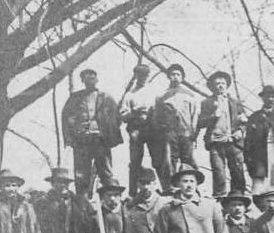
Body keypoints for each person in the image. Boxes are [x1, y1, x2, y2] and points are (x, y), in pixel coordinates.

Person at [61, 68, 122, 197]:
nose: (90, 81)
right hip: (82, 141)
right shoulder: (75, 98)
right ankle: (82, 202)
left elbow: (116, 117)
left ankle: (110, 198)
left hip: (100, 141)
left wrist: (109, 136)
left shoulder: (106, 97)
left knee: (106, 172)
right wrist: (70, 137)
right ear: (83, 81)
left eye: (92, 78)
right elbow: (66, 117)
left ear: (97, 80)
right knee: (81, 175)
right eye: (87, 79)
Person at [198, 70, 246, 198]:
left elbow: (244, 121)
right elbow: (201, 122)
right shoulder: (207, 102)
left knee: (237, 170)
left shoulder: (235, 102)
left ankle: (238, 197)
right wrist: (213, 115)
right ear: (212, 86)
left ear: (227, 85)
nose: (220, 86)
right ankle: (219, 198)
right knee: (218, 171)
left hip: (233, 142)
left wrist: (240, 131)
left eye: (223, 83)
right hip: (216, 142)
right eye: (217, 83)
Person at [119, 64, 165, 195]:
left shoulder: (155, 92)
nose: (143, 78)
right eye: (140, 75)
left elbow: (162, 110)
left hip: (152, 128)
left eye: (146, 75)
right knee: (135, 162)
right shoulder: (129, 94)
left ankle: (166, 190)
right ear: (136, 76)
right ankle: (133, 193)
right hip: (136, 129)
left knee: (158, 160)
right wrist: (133, 114)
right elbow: (123, 115)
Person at [152, 63, 199, 177]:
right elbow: (156, 116)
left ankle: (188, 182)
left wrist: (194, 133)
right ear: (168, 76)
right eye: (173, 74)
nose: (175, 77)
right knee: (170, 160)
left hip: (186, 132)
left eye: (178, 74)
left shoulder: (189, 95)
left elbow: (195, 114)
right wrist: (160, 131)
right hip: (169, 133)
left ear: (182, 77)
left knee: (187, 160)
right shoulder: (161, 96)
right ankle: (171, 184)